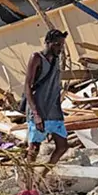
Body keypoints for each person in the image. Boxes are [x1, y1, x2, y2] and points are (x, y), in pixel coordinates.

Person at [24, 29, 70, 165]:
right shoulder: (36, 58)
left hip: (53, 110)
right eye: (56, 45)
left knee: (62, 146)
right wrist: (36, 114)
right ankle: (29, 180)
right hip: (39, 109)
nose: (59, 48)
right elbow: (27, 86)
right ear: (47, 43)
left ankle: (42, 175)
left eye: (61, 45)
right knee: (34, 148)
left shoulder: (56, 60)